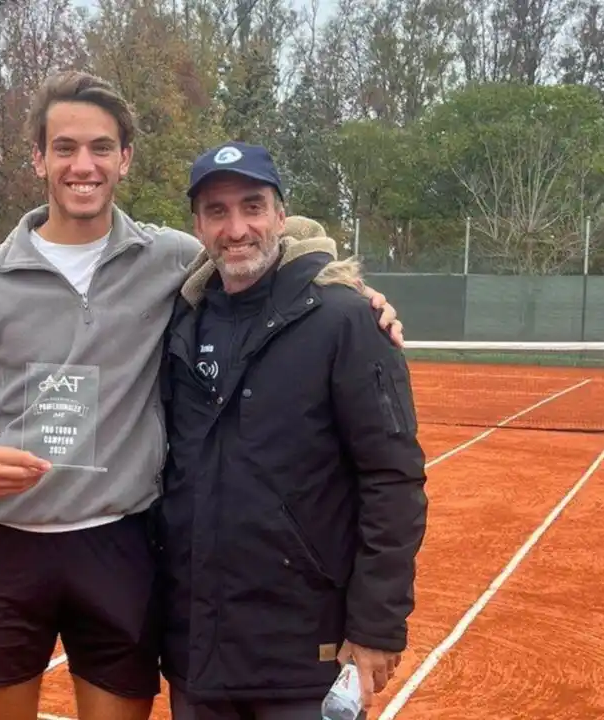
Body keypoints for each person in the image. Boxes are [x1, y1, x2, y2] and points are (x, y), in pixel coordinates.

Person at [0, 71, 404, 720]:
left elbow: (267, 245)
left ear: (125, 159)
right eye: (64, 148)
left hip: (120, 545)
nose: (82, 165)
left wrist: (352, 290)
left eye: (99, 148)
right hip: (5, 547)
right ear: (38, 158)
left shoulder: (170, 258)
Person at [155, 141, 429, 720]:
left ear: (281, 215)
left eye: (252, 207)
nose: (237, 228)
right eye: (217, 211)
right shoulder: (181, 320)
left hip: (307, 655)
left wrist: (376, 626)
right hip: (198, 651)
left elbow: (393, 479)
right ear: (198, 226)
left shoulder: (347, 318)